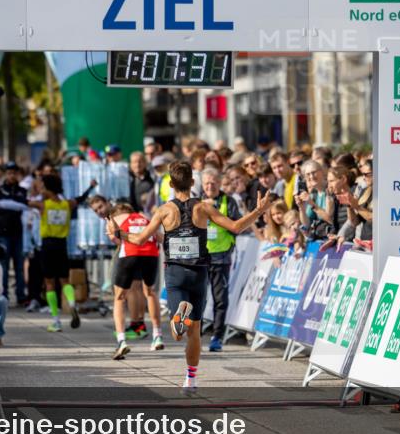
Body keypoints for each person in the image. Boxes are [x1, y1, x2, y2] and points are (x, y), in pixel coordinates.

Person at [121, 161, 276, 393]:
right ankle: (190, 380)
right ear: (193, 183)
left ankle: (177, 318)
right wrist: (259, 211)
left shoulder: (164, 211)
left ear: (171, 184)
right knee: (195, 331)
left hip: (175, 274)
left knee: (177, 333)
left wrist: (118, 232)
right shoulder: (203, 208)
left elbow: (140, 239)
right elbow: (234, 227)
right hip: (199, 273)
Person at [92, 197, 164, 358]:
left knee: (119, 297)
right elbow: (161, 238)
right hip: (151, 254)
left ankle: (121, 340)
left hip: (130, 253)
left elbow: (115, 239)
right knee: (150, 293)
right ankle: (157, 336)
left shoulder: (116, 218)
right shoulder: (145, 217)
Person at [26, 173, 89, 332]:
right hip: (62, 245)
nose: (40, 188)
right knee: (65, 280)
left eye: (42, 185)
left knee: (49, 283)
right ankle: (72, 305)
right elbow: (81, 199)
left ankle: (56, 320)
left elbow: (23, 202)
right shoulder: (67, 204)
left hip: (47, 246)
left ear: (48, 188)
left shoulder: (43, 205)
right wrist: (91, 187)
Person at [198, 167, 243, 353]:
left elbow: (237, 226)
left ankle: (217, 336)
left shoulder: (228, 201)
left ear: (219, 183)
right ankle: (196, 335)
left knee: (220, 300)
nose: (210, 186)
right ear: (202, 184)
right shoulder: (196, 202)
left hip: (221, 258)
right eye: (207, 183)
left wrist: (214, 213)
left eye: (213, 183)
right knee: (198, 298)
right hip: (200, 258)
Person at [0, 162, 28, 306]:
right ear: (6, 174)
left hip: (18, 233)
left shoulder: (22, 191)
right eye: (9, 173)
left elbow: (23, 206)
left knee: (19, 267)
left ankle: (20, 295)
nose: (12, 175)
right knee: (4, 266)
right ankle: (4, 294)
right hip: (3, 233)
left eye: (14, 173)